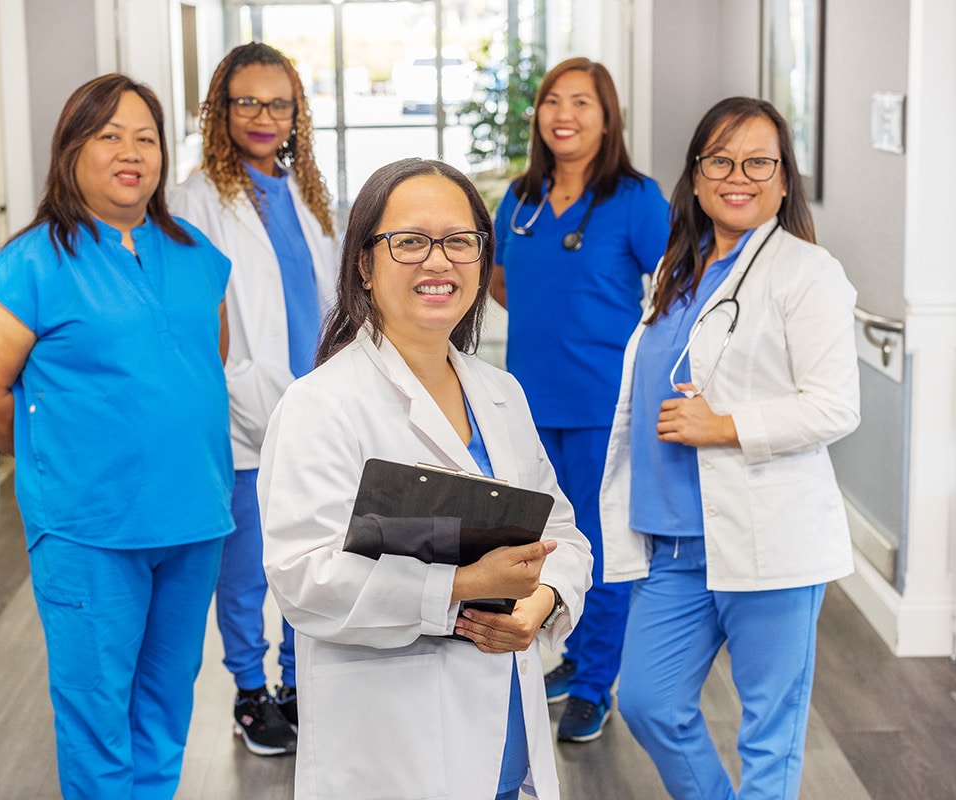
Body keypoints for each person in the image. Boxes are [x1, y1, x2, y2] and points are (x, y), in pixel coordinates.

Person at [258, 158, 593, 800]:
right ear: (364, 263)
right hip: (392, 753)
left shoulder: (500, 394)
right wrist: (463, 585)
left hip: (505, 741)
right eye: (409, 241)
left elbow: (564, 536)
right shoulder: (321, 405)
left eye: (459, 241)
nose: (438, 262)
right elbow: (304, 580)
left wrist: (542, 601)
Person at [0, 74, 233, 799]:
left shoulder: (196, 253)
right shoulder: (34, 261)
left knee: (166, 706)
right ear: (71, 150)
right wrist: (58, 456)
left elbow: (207, 360)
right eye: (108, 135)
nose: (129, 152)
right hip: (89, 531)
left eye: (145, 137)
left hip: (193, 517)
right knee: (97, 716)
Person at [598, 96, 860, 799]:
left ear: (782, 180)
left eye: (758, 162)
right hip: (675, 544)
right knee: (649, 705)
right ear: (695, 174)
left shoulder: (808, 273)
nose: (737, 175)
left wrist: (727, 426)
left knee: (768, 732)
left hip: (768, 541)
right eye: (720, 159)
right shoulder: (674, 273)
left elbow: (835, 405)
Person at [490, 56, 670, 742]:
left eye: (582, 103)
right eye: (553, 101)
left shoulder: (636, 198)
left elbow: (676, 287)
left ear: (606, 116)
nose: (564, 114)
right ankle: (568, 655)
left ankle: (595, 681)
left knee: (602, 545)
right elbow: (502, 281)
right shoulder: (521, 197)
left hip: (603, 406)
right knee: (541, 544)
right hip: (526, 405)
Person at [168, 41, 338, 757]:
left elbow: (325, 302)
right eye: (247, 102)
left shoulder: (309, 195)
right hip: (240, 418)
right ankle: (249, 688)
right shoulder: (194, 199)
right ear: (221, 111)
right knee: (243, 570)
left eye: (278, 103)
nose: (264, 116)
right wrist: (239, 393)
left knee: (315, 557)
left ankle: (301, 681)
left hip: (318, 412)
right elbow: (198, 321)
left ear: (296, 112)